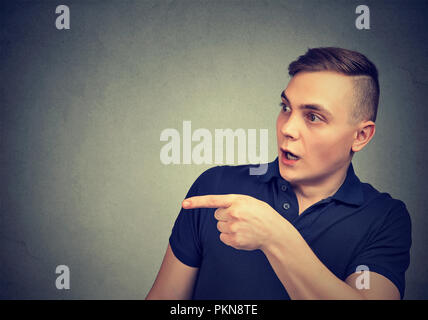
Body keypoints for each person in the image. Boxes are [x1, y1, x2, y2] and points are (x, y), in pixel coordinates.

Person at [146, 47, 412, 300]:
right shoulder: (217, 187)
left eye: (313, 117)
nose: (288, 128)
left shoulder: (384, 217)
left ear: (361, 136)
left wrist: (275, 237)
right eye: (286, 108)